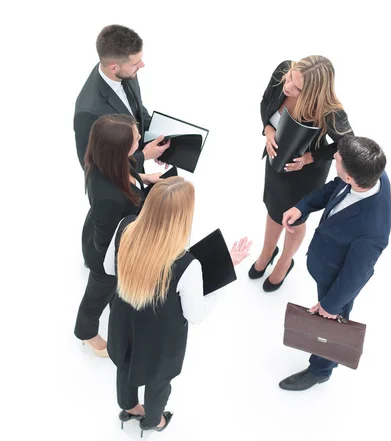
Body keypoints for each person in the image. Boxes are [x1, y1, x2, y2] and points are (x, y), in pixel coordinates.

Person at [102, 177, 251, 435]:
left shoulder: (124, 227)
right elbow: (196, 315)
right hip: (161, 342)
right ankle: (153, 421)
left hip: (124, 323)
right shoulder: (187, 265)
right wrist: (223, 276)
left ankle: (129, 407)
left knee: (125, 367)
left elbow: (108, 267)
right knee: (158, 383)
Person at [279, 135, 391, 391]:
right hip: (325, 258)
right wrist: (303, 207)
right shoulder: (370, 174)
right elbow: (334, 187)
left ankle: (321, 370)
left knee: (331, 323)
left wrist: (331, 306)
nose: (334, 157)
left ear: (352, 177)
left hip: (336, 278)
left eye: (338, 159)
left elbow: (357, 274)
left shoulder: (374, 229)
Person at [250, 56, 353, 292]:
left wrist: (308, 158)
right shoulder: (284, 72)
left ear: (314, 93)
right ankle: (268, 252)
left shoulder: (329, 111)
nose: (287, 87)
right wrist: (267, 130)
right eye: (290, 79)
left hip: (305, 174)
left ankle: (285, 261)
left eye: (297, 88)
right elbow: (265, 102)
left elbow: (346, 144)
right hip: (276, 160)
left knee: (294, 218)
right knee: (273, 208)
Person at [75, 114, 163, 357]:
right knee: (97, 295)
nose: (140, 140)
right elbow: (106, 244)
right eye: (136, 139)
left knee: (114, 291)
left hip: (108, 237)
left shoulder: (109, 162)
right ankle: (86, 332)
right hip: (106, 257)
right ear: (119, 149)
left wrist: (143, 178)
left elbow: (128, 166)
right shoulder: (108, 197)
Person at [74, 24, 169, 171]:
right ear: (113, 68)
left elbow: (137, 112)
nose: (142, 65)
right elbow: (93, 170)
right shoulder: (88, 111)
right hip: (117, 191)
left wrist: (159, 141)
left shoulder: (127, 72)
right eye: (136, 63)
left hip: (138, 177)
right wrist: (143, 156)